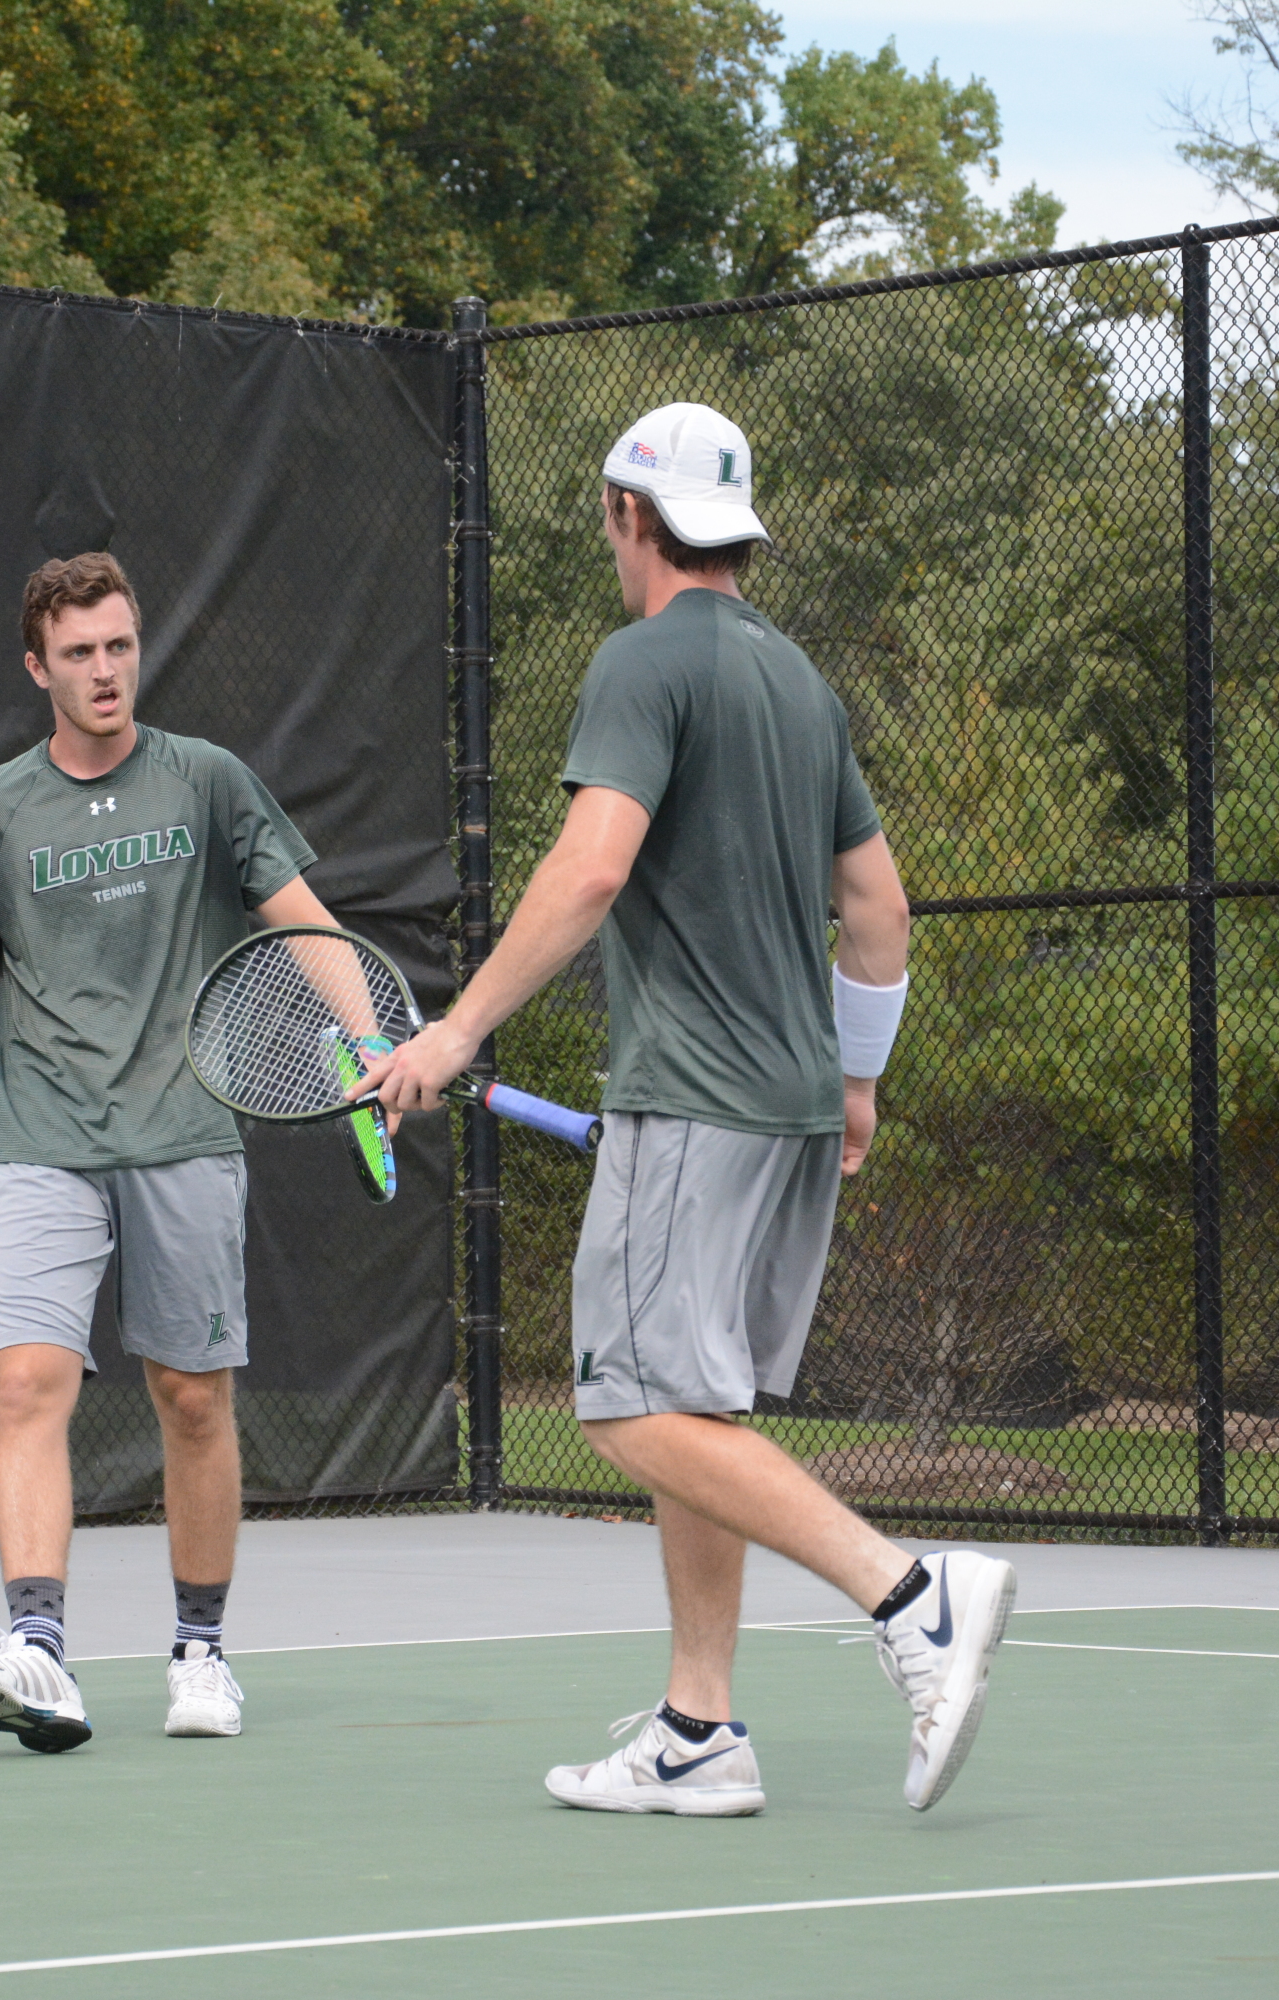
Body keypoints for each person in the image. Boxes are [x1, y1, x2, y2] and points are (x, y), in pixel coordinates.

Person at [364, 403, 1014, 1817]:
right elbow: (880, 907)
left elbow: (594, 869)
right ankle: (699, 1731)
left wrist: (456, 1029)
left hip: (697, 1099)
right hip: (789, 1106)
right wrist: (856, 1079)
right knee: (698, 1406)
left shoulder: (643, 661)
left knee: (627, 1407)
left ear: (626, 518)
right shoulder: (799, 684)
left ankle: (913, 1597)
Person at [0, 550, 347, 1752]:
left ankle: (201, 1652)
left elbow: (303, 922)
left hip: (184, 1134)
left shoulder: (208, 781)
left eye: (120, 645)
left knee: (193, 1399)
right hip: (41, 1136)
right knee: (22, 1384)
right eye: (81, 652)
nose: (106, 669)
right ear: (37, 665)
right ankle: (36, 1646)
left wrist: (368, 1038)